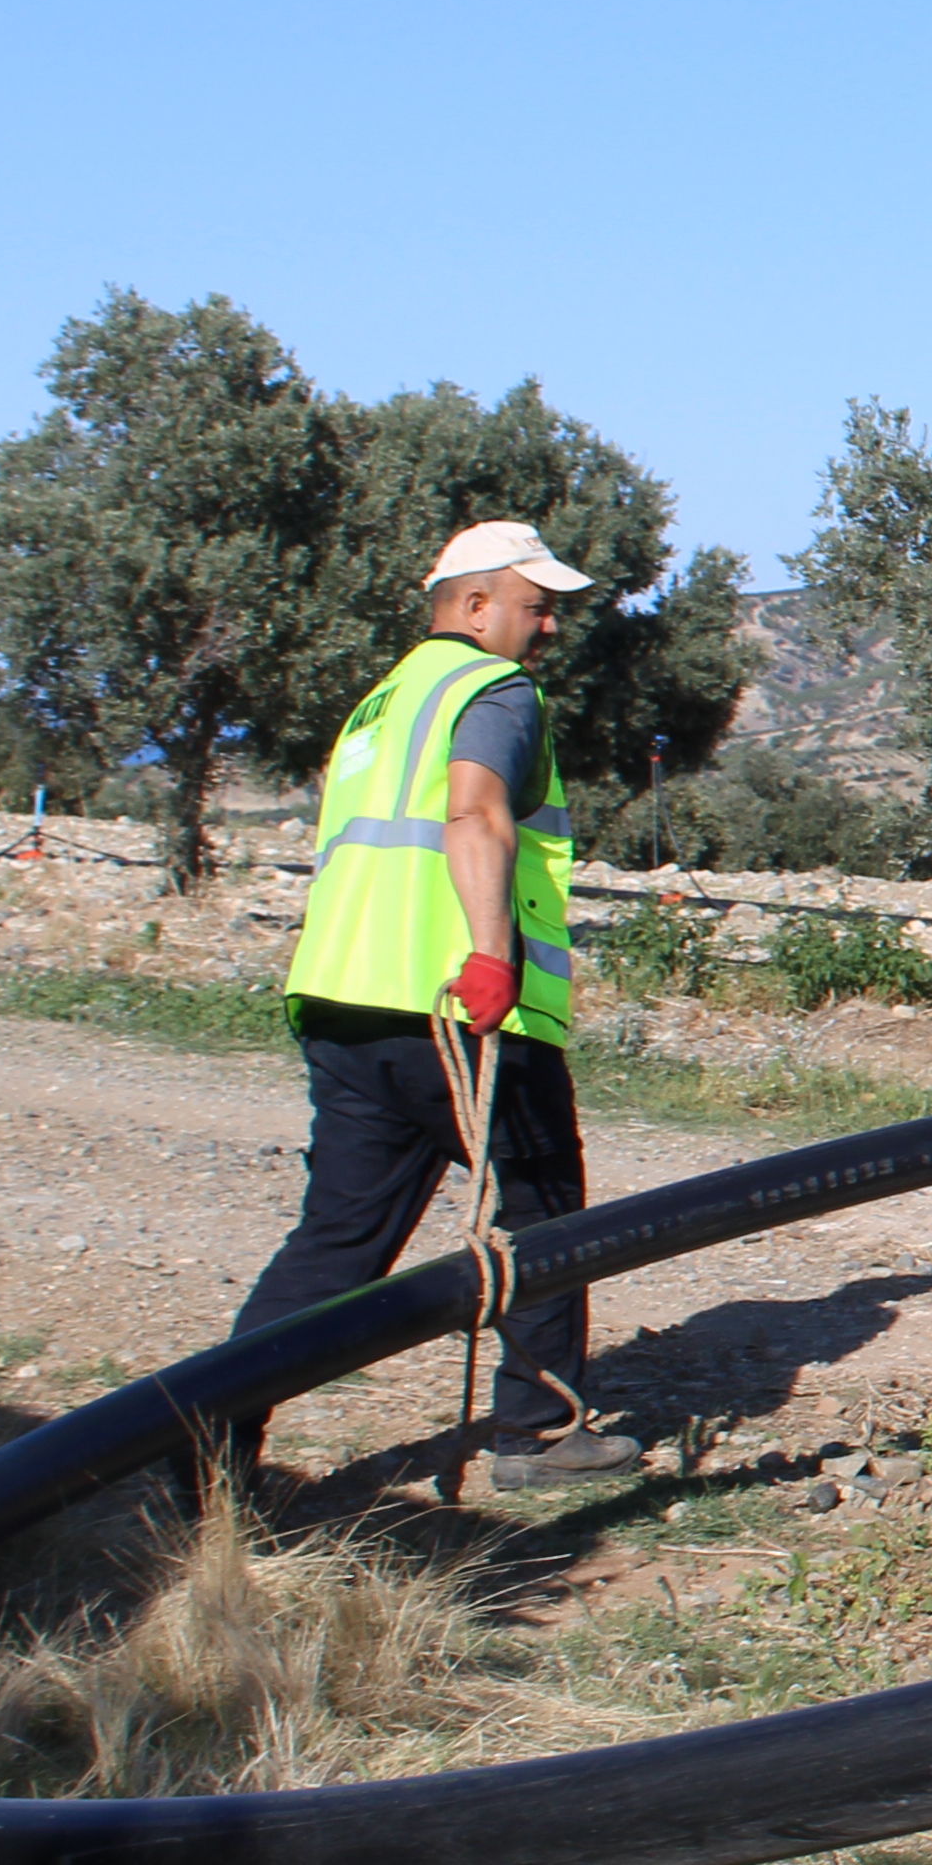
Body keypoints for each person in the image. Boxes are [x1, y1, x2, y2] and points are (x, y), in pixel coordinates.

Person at [221, 519, 634, 1493]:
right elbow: (475, 811)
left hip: (345, 998)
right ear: (476, 603)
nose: (547, 631)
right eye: (536, 608)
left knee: (340, 1242)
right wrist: (493, 957)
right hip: (456, 1005)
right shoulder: (494, 691)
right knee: (543, 1213)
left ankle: (208, 1435)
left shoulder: (378, 704)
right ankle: (535, 1434)